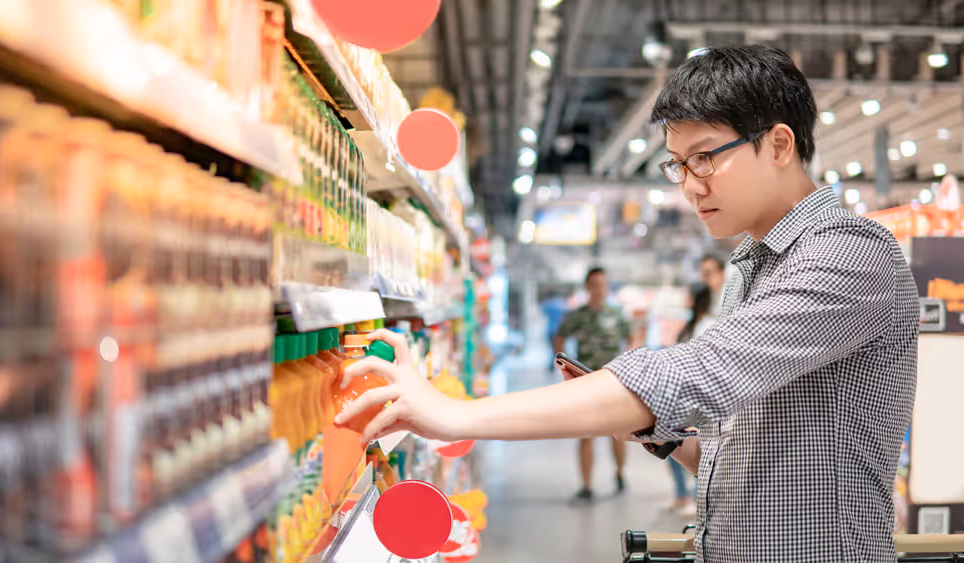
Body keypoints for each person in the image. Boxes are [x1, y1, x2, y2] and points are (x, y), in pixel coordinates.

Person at [336, 45, 918, 563]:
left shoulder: (851, 253)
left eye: (705, 157)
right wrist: (664, 434)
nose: (690, 185)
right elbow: (747, 454)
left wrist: (454, 414)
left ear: (779, 144)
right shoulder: (753, 263)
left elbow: (704, 372)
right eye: (678, 164)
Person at [551, 267, 632, 501]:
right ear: (587, 287)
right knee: (586, 434)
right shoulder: (577, 316)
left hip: (614, 382)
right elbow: (559, 337)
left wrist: (629, 363)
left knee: (618, 433)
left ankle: (620, 473)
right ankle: (586, 485)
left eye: (603, 285)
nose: (599, 290)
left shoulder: (617, 314)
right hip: (586, 382)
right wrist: (564, 366)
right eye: (595, 285)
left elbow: (632, 338)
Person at [665, 283, 713, 514]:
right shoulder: (690, 324)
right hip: (681, 395)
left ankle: (696, 500)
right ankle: (681, 495)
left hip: (699, 398)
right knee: (671, 444)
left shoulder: (708, 324)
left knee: (699, 449)